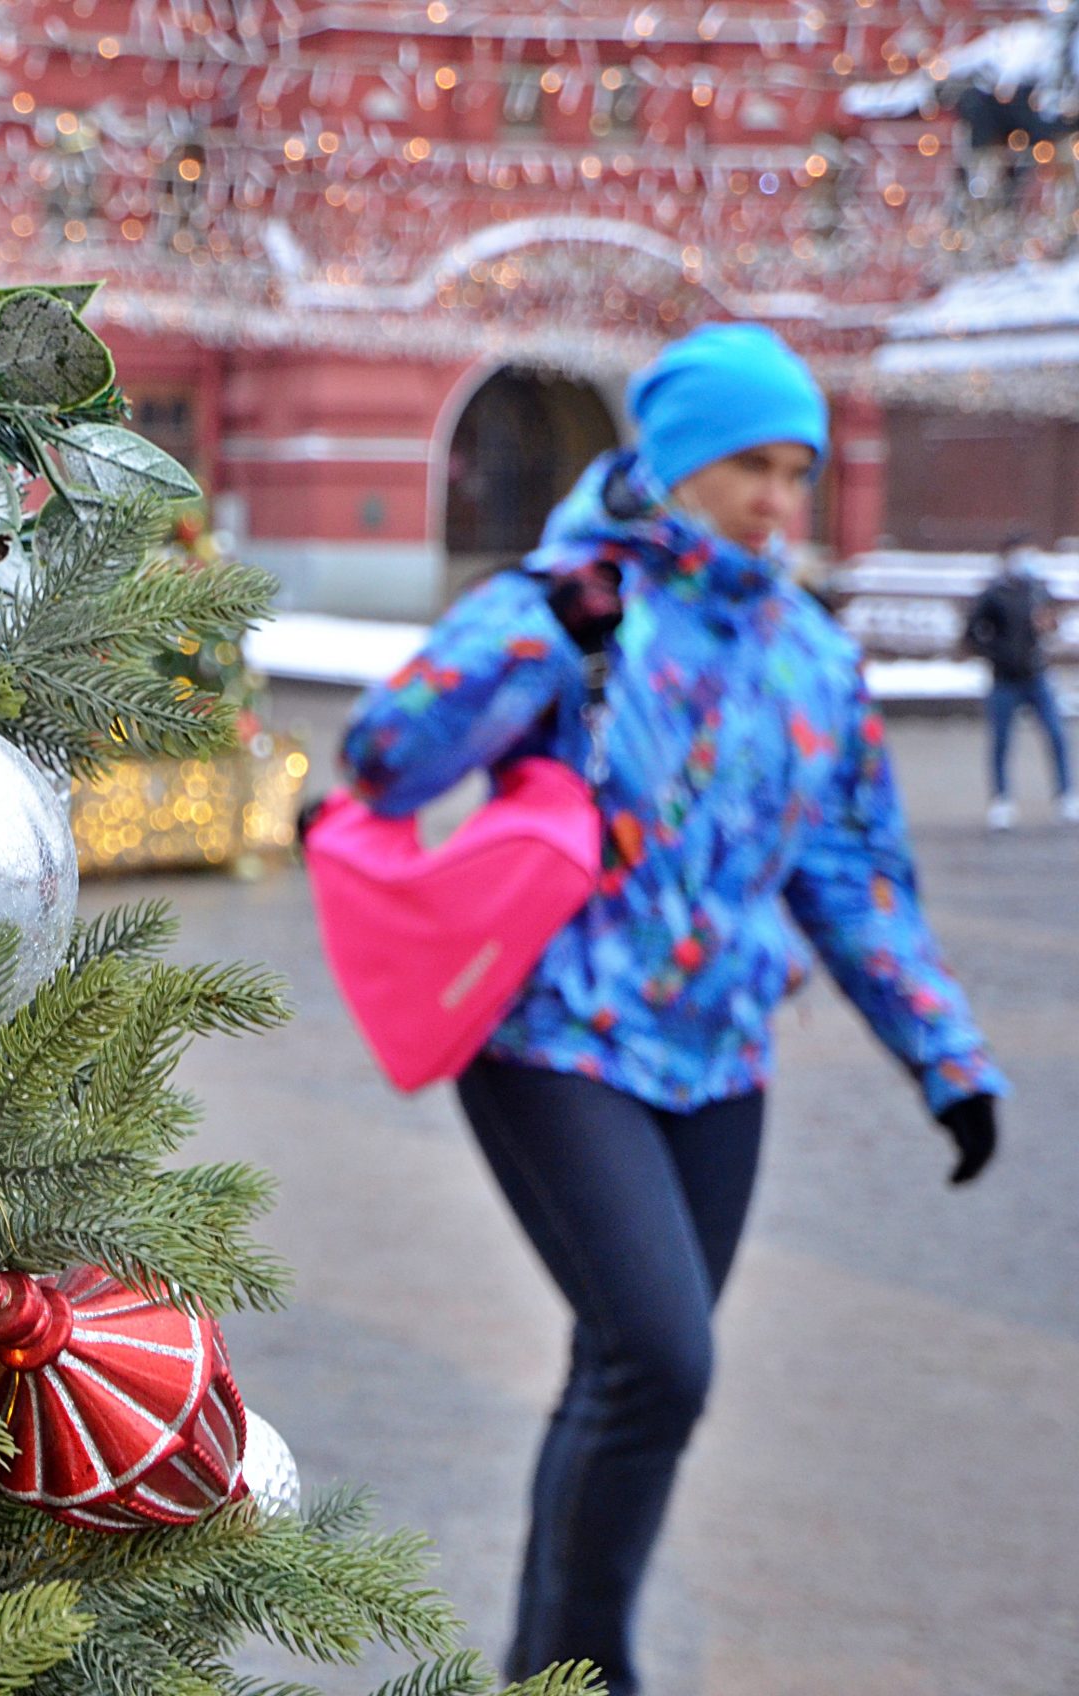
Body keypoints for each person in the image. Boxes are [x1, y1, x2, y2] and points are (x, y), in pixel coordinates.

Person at [340, 324, 1005, 1695]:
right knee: (662, 1355)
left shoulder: (813, 659)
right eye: (750, 467)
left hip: (718, 1062)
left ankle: (548, 1670)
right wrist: (533, 627)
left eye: (795, 471)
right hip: (551, 1041)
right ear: (677, 462)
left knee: (629, 1374)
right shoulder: (576, 600)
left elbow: (853, 875)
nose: (777, 500)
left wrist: (947, 1055)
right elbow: (385, 758)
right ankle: (592, 1671)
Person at [960, 538, 1073, 830]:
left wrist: (1049, 624)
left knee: (1056, 735)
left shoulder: (1037, 589)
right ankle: (1001, 800)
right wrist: (995, 654)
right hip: (1004, 680)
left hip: (1036, 675)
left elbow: (1052, 621)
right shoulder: (994, 594)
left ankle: (1065, 795)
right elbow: (972, 633)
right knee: (1001, 740)